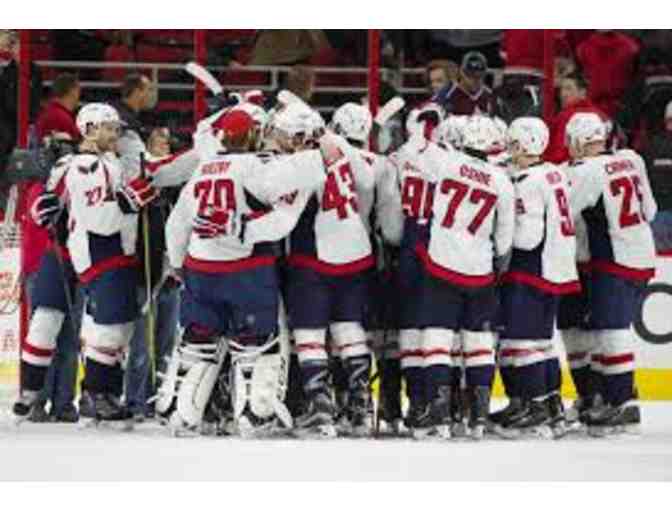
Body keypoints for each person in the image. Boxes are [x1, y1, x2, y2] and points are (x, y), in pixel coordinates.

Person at [159, 107, 334, 436]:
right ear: (252, 135)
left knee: (198, 342)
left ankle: (181, 414)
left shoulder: (203, 169)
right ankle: (256, 416)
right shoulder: (256, 167)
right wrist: (314, 157)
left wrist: (179, 264)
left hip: (199, 267)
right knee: (256, 345)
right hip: (247, 270)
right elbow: (283, 212)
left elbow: (176, 223)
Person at [13, 103, 159, 425]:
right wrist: (40, 208)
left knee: (112, 325)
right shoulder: (74, 164)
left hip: (100, 249)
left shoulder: (116, 163)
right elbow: (45, 199)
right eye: (108, 127)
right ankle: (31, 391)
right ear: (90, 129)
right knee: (47, 320)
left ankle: (97, 392)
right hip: (69, 249)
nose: (115, 132)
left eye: (115, 127)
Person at [413, 115, 515, 440]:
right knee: (479, 343)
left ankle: (439, 414)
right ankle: (478, 417)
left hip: (441, 265)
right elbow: (504, 240)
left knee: (437, 340)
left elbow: (415, 154)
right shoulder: (502, 181)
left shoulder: (446, 161)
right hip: (479, 271)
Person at [283, 104, 377, 438]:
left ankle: (320, 407)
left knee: (309, 332)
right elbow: (367, 181)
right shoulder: (350, 155)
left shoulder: (306, 159)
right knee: (348, 328)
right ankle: (360, 407)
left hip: (316, 254)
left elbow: (286, 207)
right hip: (355, 250)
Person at [568, 112, 657, 436]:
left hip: (613, 258)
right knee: (610, 327)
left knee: (612, 330)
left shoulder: (587, 171)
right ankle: (611, 397)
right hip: (642, 254)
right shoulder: (631, 159)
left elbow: (567, 210)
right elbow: (650, 211)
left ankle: (622, 402)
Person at [495, 117, 579, 438]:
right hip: (557, 267)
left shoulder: (528, 181)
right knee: (542, 343)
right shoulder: (555, 172)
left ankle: (534, 408)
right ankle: (550, 404)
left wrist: (499, 235)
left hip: (531, 268)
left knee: (521, 342)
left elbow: (527, 238)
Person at [0, 30, 43, 170]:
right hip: (7, 121)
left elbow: (35, 99)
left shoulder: (34, 70)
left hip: (25, 123)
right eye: (13, 45)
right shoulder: (6, 71)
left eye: (17, 44)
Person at [544, 72, 606, 164]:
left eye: (568, 89)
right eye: (561, 89)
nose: (563, 94)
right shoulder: (602, 115)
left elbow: (557, 154)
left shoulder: (565, 117)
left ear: (582, 93)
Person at [643, 100, 672, 253]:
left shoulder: (651, 146)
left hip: (658, 215)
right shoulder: (651, 145)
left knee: (660, 265)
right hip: (659, 215)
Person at [433, 52, 495, 116]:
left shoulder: (490, 97)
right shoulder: (446, 94)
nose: (473, 80)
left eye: (478, 76)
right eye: (469, 75)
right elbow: (430, 109)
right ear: (461, 71)